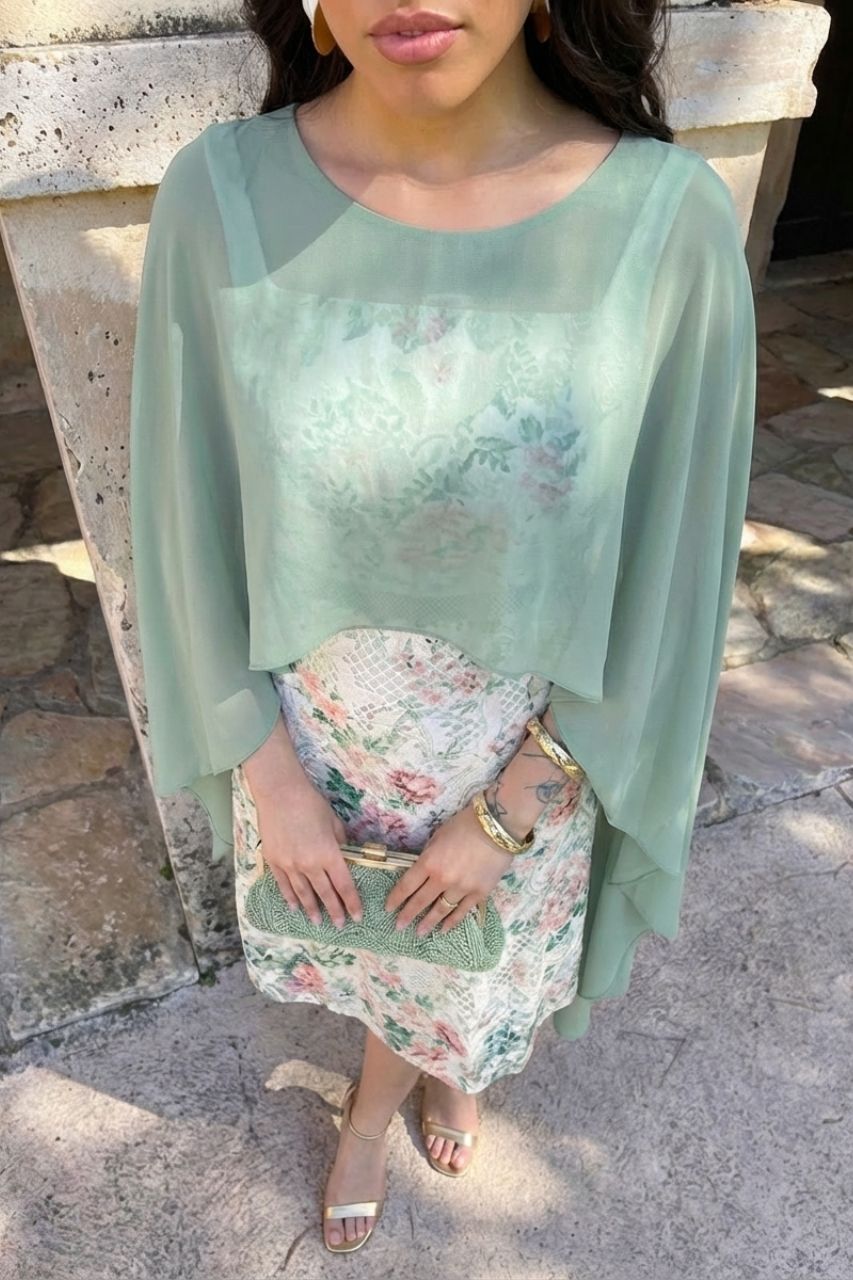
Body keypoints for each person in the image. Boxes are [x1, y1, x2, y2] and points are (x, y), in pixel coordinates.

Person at [128, 0, 757, 1255]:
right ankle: (414, 1078)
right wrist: (267, 771)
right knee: (395, 950)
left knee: (466, 954)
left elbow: (673, 561)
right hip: (314, 747)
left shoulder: (664, 218)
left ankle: (393, 1095)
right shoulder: (219, 194)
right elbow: (180, 515)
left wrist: (517, 803)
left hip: (535, 753)